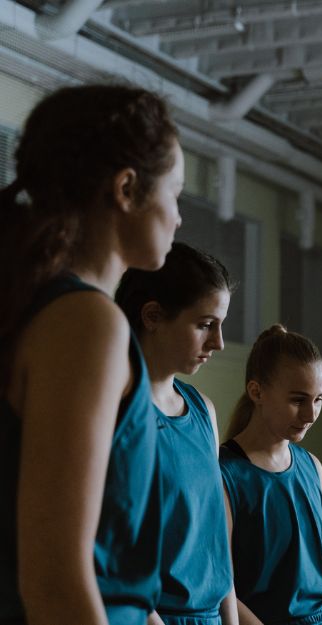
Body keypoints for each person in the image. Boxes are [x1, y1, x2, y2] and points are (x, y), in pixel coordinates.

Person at [0, 85, 182, 625]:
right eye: (176, 194)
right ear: (127, 188)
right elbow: (55, 583)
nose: (179, 217)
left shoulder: (39, 310)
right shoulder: (85, 324)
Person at [114, 242, 237, 625]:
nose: (218, 343)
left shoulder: (204, 410)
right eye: (205, 325)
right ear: (152, 315)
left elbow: (215, 541)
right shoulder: (115, 411)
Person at [219, 325, 322, 625]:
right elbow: (221, 585)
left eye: (319, 399)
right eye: (298, 400)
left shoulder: (313, 467)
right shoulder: (224, 474)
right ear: (256, 392)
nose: (310, 414)